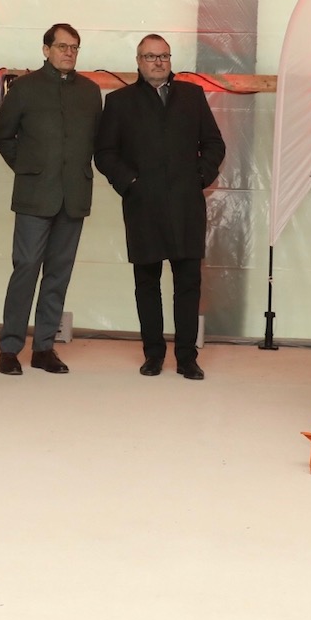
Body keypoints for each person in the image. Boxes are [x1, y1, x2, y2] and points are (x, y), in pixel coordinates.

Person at [95, 34, 225, 380]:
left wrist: (200, 176)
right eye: (150, 57)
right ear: (138, 61)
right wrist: (130, 183)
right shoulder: (120, 102)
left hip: (186, 204)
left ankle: (187, 358)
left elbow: (214, 143)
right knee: (147, 284)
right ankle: (153, 355)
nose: (158, 62)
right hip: (143, 205)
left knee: (188, 284)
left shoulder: (192, 96)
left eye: (164, 56)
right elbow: (105, 153)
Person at [0, 23, 102, 375]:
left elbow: (96, 140)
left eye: (74, 48)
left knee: (58, 273)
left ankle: (43, 348)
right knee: (25, 268)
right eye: (62, 46)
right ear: (46, 50)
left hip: (74, 195)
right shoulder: (24, 88)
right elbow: (2, 134)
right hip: (34, 195)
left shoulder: (90, 92)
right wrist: (27, 168)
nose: (69, 53)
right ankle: (10, 348)